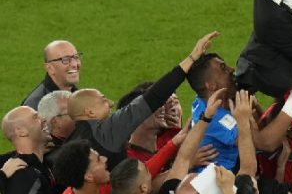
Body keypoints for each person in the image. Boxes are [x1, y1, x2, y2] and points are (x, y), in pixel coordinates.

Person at [64, 31, 220, 170]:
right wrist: (192, 58)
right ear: (89, 112)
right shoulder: (104, 132)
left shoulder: (72, 142)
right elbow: (152, 97)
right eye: (103, 101)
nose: (111, 103)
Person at [1, 106, 57, 194]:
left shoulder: (42, 163)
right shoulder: (22, 174)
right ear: (21, 132)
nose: (44, 119)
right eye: (35, 117)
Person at [22, 40, 81, 110]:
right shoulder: (36, 106)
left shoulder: (80, 96)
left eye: (76, 57)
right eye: (65, 60)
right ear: (50, 68)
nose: (74, 64)